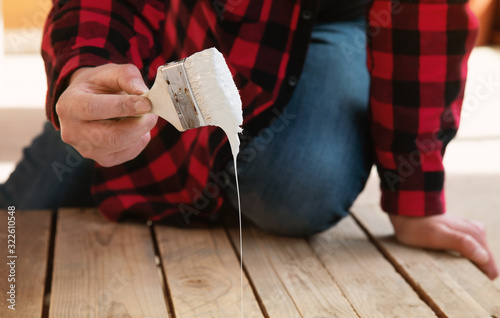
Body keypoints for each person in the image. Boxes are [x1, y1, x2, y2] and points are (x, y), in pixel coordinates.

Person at [0, 0, 497, 279]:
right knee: (18, 217)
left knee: (295, 187)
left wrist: (416, 200)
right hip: (180, 21)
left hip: (334, 20)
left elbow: (427, 15)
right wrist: (85, 69)